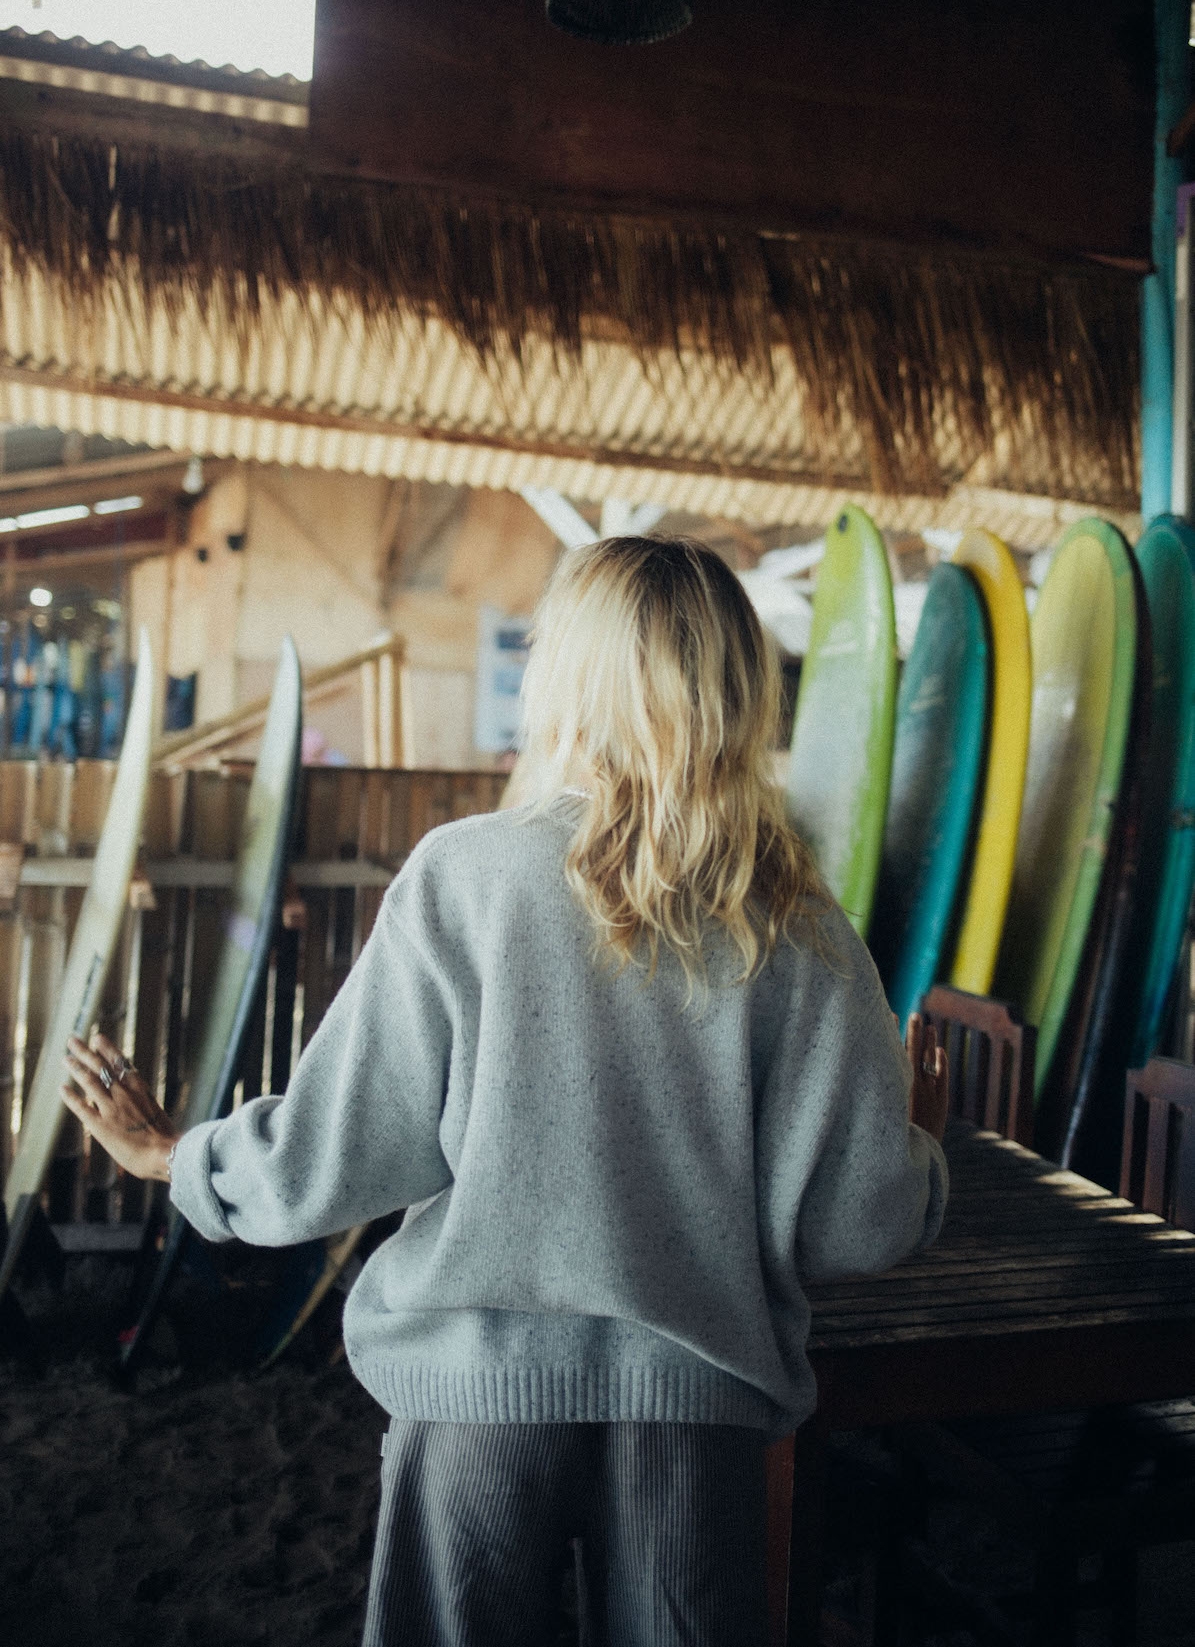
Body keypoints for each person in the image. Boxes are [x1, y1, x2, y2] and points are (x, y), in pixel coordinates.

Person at [63, 535, 949, 1647]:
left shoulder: (467, 876)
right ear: (741, 690)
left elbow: (332, 1148)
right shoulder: (804, 926)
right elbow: (858, 1223)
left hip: (476, 1396)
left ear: (567, 674)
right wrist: (918, 1148)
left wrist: (174, 1155)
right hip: (694, 1411)